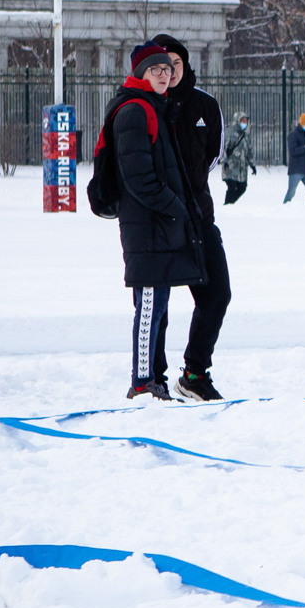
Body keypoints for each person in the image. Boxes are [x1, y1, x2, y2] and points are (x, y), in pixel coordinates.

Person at [96, 43, 207, 401]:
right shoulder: (134, 111)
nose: (163, 75)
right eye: (155, 70)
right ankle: (142, 381)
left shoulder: (153, 107)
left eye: (166, 70)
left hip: (156, 225)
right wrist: (174, 206)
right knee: (149, 308)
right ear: (140, 74)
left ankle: (150, 381)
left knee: (157, 305)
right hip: (146, 225)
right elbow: (139, 177)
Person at [149, 35, 232, 401]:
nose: (169, 71)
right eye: (162, 65)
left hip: (199, 218)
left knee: (217, 293)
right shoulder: (145, 106)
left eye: (175, 64)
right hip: (159, 222)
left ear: (184, 65)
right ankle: (153, 380)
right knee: (157, 306)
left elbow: (213, 155)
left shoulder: (205, 106)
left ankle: (195, 374)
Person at [284, 114, 305, 203]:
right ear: (302, 124)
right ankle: (284, 208)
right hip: (296, 170)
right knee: (291, 192)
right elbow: (293, 151)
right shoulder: (293, 135)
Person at [222, 112, 252, 205]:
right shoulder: (229, 133)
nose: (244, 123)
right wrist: (224, 161)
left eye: (246, 121)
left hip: (242, 169)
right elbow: (223, 149)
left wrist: (252, 165)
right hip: (230, 167)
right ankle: (228, 205)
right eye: (243, 121)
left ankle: (230, 204)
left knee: (242, 187)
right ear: (237, 121)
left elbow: (249, 151)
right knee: (231, 188)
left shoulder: (245, 135)